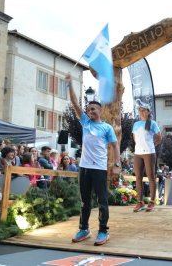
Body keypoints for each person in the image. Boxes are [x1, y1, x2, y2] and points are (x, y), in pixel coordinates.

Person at [66, 73, 120, 246]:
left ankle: (103, 231)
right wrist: (70, 85)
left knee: (102, 201)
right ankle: (84, 229)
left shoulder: (106, 127)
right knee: (84, 201)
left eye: (93, 109)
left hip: (99, 169)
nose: (90, 111)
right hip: (84, 167)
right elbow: (75, 103)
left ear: (100, 110)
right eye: (88, 109)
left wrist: (117, 163)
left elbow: (115, 146)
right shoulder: (85, 123)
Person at [132, 103, 162, 212]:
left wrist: (152, 145)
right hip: (138, 153)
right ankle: (140, 202)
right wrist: (140, 146)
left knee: (151, 177)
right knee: (138, 177)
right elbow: (135, 138)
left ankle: (152, 201)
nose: (142, 112)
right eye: (140, 110)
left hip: (149, 152)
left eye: (144, 110)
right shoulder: (136, 124)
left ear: (148, 112)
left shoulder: (152, 123)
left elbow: (159, 137)